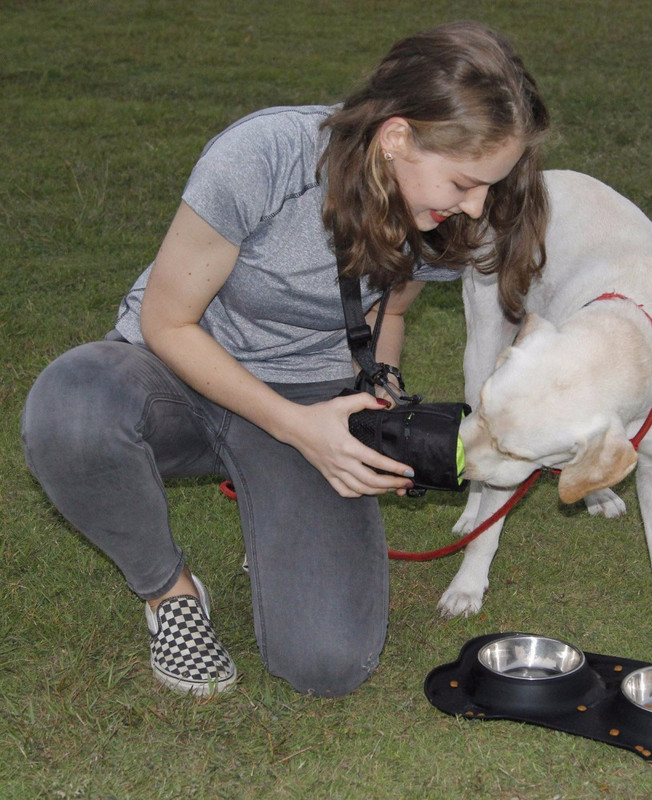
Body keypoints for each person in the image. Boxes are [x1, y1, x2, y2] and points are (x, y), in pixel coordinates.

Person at [21, 21, 550, 697]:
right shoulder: (265, 155)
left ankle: (275, 517)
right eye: (465, 182)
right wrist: (297, 429)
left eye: (489, 187)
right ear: (397, 138)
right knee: (73, 405)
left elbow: (397, 296)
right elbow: (166, 320)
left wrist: (378, 388)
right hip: (180, 372)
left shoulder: (440, 208)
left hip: (316, 396)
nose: (475, 205)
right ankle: (169, 591)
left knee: (327, 664)